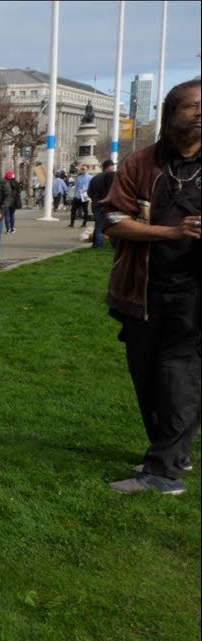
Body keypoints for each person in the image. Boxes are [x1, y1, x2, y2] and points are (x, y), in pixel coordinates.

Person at [104, 79, 201, 496]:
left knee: (178, 374)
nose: (201, 113)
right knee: (146, 375)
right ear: (171, 112)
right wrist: (170, 231)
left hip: (194, 293)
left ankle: (164, 473)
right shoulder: (141, 163)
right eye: (194, 106)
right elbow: (112, 221)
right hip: (141, 288)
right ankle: (171, 450)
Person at [87, 159, 117, 249]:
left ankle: (98, 244)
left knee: (99, 224)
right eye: (112, 166)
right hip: (107, 204)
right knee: (112, 224)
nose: (113, 168)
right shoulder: (111, 176)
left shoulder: (95, 178)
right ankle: (111, 244)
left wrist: (95, 199)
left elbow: (89, 192)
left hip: (96, 203)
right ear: (108, 167)